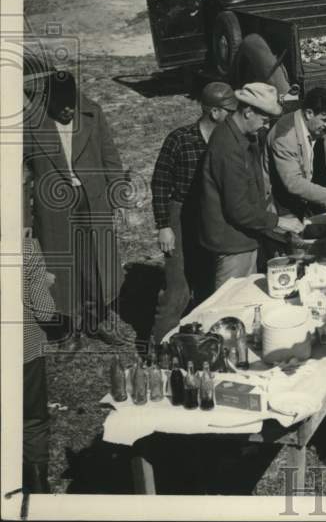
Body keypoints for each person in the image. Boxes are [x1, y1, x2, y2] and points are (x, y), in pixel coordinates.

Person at [23, 71, 136, 349]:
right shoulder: (31, 122)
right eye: (61, 107)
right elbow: (20, 174)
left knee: (94, 263)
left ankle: (94, 321)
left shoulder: (92, 113)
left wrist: (119, 198)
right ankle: (67, 330)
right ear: (48, 101)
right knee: (61, 267)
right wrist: (24, 218)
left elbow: (110, 156)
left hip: (91, 199)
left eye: (71, 104)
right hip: (53, 207)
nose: (68, 111)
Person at [149, 81, 237, 345]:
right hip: (180, 214)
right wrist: (164, 225)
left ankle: (201, 344)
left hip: (212, 216)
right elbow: (160, 182)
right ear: (215, 112)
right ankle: (159, 347)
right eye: (229, 111)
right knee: (178, 289)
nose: (233, 116)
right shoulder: (179, 139)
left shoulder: (229, 141)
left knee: (210, 283)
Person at [200, 83, 303, 289]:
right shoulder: (228, 148)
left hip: (244, 238)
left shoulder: (241, 137)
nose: (266, 126)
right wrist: (279, 222)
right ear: (247, 112)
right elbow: (238, 209)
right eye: (264, 120)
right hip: (232, 243)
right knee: (230, 303)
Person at [267, 86, 326, 219]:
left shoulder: (309, 127)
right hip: (279, 204)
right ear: (309, 113)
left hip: (296, 200)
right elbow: (293, 183)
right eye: (324, 120)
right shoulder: (285, 138)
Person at [22, 232, 57, 494]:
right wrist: (44, 282)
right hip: (25, 352)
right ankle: (37, 487)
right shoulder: (26, 247)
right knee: (33, 421)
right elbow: (45, 312)